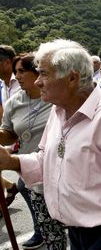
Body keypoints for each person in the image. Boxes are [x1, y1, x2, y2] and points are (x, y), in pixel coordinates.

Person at [0, 39, 101, 249]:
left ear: (71, 78)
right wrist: (10, 161)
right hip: (76, 231)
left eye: (44, 74)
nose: (37, 82)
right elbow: (47, 160)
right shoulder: (58, 110)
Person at [2, 53, 67, 249]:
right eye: (16, 72)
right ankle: (42, 232)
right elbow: (9, 134)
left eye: (22, 71)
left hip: (64, 170)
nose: (18, 76)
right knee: (51, 232)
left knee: (77, 225)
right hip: (35, 173)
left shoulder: (56, 96)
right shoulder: (14, 102)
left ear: (37, 72)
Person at [0, 45, 20, 207]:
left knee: (32, 187)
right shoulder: (3, 84)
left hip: (26, 138)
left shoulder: (22, 81)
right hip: (10, 135)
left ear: (7, 63)